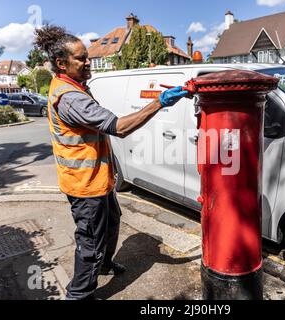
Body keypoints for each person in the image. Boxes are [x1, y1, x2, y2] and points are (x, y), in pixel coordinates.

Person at [34, 25, 189, 300]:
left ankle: (104, 265)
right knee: (90, 242)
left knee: (112, 221)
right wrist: (160, 102)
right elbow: (119, 127)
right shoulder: (70, 99)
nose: (87, 62)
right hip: (85, 186)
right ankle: (79, 294)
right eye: (81, 58)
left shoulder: (71, 87)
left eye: (87, 57)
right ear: (61, 63)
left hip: (98, 179)